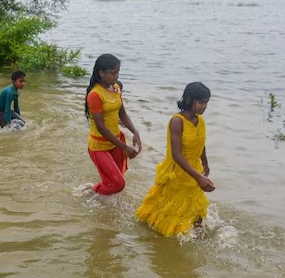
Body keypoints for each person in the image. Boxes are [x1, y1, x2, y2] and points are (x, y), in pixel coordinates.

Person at [135, 82, 215, 237]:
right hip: (177, 170)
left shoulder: (200, 121)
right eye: (201, 102)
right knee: (171, 207)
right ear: (189, 99)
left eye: (206, 103)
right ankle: (164, 235)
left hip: (194, 168)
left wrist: (205, 163)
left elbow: (201, 142)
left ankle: (199, 235)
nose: (204, 106)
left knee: (194, 204)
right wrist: (198, 176)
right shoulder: (177, 121)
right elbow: (177, 154)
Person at [84, 54, 142, 195]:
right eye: (113, 73)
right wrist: (125, 147)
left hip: (115, 142)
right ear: (101, 73)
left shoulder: (116, 88)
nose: (116, 76)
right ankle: (92, 190)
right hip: (99, 146)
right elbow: (102, 128)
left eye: (118, 72)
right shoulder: (95, 95)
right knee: (118, 184)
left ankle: (101, 199)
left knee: (115, 181)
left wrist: (135, 132)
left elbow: (122, 114)